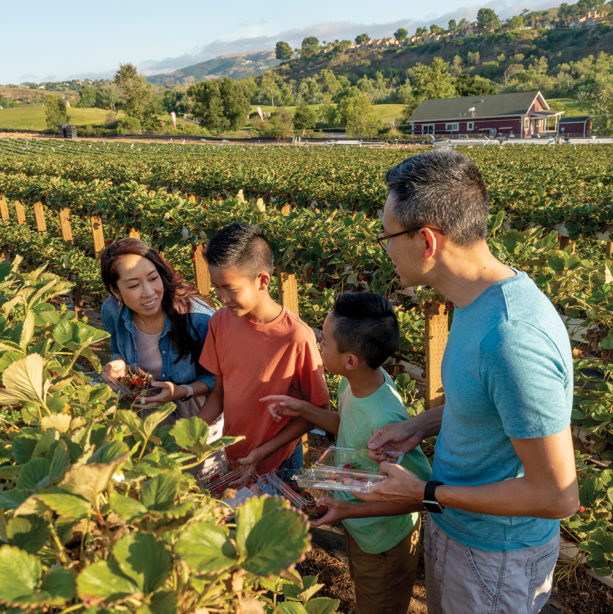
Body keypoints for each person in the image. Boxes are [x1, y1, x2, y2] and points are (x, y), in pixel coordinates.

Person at [361, 150, 579, 614]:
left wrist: (423, 493)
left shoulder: (511, 337)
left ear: (426, 241)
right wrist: (420, 426)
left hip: (494, 557)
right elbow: (489, 404)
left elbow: (557, 496)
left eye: (387, 236)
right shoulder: (474, 301)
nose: (384, 248)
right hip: (461, 529)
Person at [262, 292, 431, 614]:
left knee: (378, 605)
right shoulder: (356, 382)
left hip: (382, 540)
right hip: (362, 527)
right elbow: (346, 425)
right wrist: (302, 408)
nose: (318, 346)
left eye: (324, 342)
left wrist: (347, 511)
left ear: (351, 359)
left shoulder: (385, 417)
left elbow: (416, 495)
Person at [196, 222, 330, 481]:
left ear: (263, 281)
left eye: (231, 289)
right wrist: (190, 433)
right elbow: (219, 394)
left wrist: (262, 452)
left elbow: (317, 411)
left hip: (281, 462)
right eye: (217, 288)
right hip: (235, 455)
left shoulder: (296, 337)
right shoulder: (219, 322)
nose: (222, 298)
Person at [99, 238, 225, 476]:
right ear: (116, 291)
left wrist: (182, 391)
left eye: (153, 278)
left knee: (200, 491)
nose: (148, 292)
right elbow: (117, 347)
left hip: (197, 416)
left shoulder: (198, 319)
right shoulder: (112, 311)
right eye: (134, 285)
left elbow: (222, 380)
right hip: (148, 417)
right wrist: (117, 362)